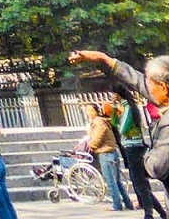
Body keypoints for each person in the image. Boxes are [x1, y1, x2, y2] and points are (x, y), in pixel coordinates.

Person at [72, 51, 169, 190]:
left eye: (150, 84)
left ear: (163, 88)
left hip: (132, 146)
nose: (148, 89)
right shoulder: (163, 94)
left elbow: (156, 167)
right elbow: (138, 81)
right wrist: (105, 59)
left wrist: (146, 157)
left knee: (140, 185)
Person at [112, 83, 168, 219]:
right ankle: (160, 211)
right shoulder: (124, 108)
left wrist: (116, 112)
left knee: (140, 183)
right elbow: (114, 124)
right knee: (140, 183)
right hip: (130, 148)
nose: (112, 97)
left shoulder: (127, 108)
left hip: (134, 148)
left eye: (113, 94)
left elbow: (123, 129)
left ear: (118, 95)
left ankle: (149, 213)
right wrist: (114, 112)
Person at [89, 102, 131, 212]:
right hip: (112, 153)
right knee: (117, 181)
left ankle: (117, 205)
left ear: (96, 111)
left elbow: (98, 138)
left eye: (90, 110)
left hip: (106, 153)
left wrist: (91, 146)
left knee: (111, 181)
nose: (88, 113)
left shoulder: (98, 122)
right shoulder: (102, 121)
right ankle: (128, 203)